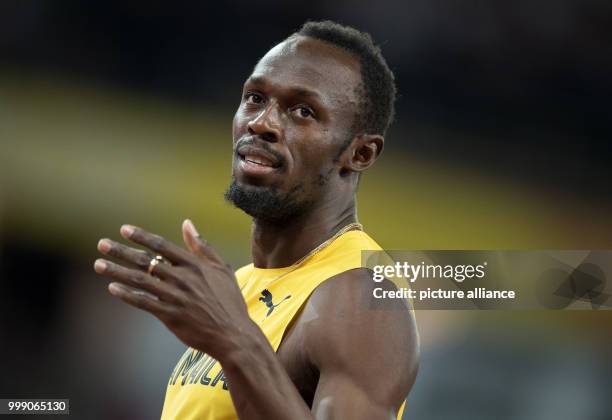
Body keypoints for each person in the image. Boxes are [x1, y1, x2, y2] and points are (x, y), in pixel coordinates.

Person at [94, 20, 419, 420]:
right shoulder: (239, 287)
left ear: (361, 154)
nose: (261, 123)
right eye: (255, 97)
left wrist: (233, 339)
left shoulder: (360, 298)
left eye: (303, 111)